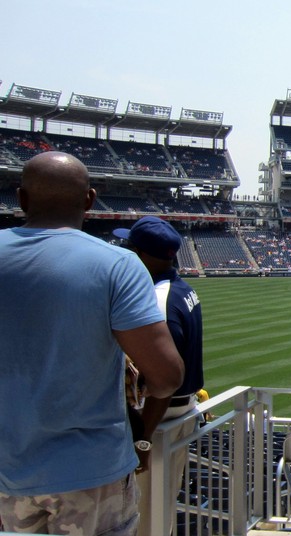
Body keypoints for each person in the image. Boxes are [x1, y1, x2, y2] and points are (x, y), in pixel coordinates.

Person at [0, 152, 184, 536]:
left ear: (21, 199)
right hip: (89, 472)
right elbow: (166, 377)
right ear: (89, 200)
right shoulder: (117, 264)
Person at [114, 216, 205, 536]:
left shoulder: (158, 297)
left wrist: (142, 437)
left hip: (159, 416)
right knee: (160, 506)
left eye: (131, 248)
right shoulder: (182, 288)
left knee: (142, 512)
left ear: (141, 254)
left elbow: (164, 378)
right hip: (181, 412)